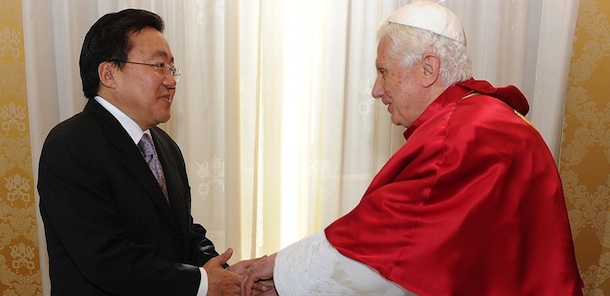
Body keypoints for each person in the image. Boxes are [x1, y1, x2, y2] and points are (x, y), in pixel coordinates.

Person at [241, 1, 584, 295]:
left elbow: (388, 240)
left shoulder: (464, 134)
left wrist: (282, 271)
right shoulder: (480, 117)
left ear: (428, 69)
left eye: (383, 72)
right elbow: (432, 255)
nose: (376, 90)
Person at [38, 9, 268, 296]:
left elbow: (182, 231)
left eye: (172, 69)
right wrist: (203, 283)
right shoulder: (70, 145)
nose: (171, 80)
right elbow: (106, 259)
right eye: (159, 65)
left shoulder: (164, 144)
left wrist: (219, 270)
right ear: (109, 74)